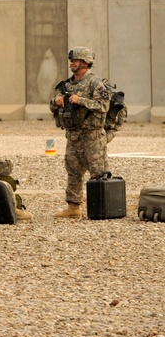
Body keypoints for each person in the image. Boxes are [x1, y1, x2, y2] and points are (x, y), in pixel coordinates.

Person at [49, 46, 112, 219]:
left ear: (85, 63)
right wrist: (56, 101)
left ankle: (101, 208)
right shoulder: (66, 85)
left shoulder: (95, 83)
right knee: (73, 171)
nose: (72, 63)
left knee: (98, 172)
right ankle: (73, 207)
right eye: (72, 60)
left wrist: (81, 100)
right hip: (73, 135)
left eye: (75, 60)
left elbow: (103, 106)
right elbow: (52, 106)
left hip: (92, 136)